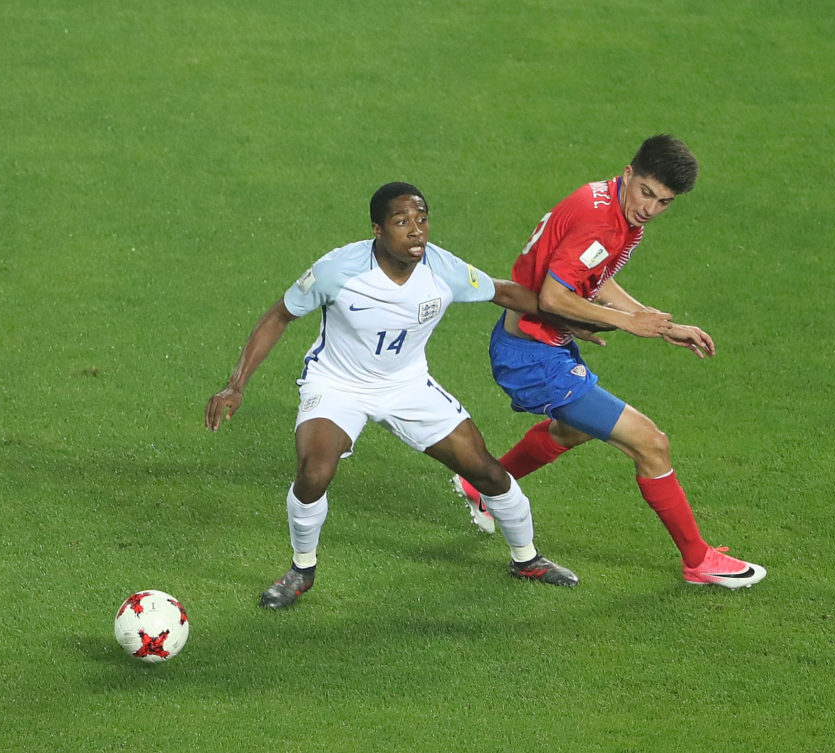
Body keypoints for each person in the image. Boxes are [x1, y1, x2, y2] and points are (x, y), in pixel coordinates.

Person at [205, 182, 578, 609]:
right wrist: (236, 383)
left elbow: (505, 292)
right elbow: (279, 315)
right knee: (314, 472)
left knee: (488, 472)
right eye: (402, 222)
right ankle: (301, 569)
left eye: (422, 219)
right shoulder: (337, 271)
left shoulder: (443, 269)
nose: (416, 231)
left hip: (407, 386)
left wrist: (571, 317)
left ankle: (526, 559)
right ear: (377, 231)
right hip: (338, 383)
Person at [451, 135, 766, 589]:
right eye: (646, 193)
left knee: (574, 428)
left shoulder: (613, 208)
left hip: (546, 343)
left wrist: (654, 323)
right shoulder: (599, 221)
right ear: (629, 173)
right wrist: (628, 324)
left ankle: (482, 485)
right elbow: (554, 296)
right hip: (533, 357)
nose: (651, 209)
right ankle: (699, 561)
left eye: (664, 202)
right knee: (652, 443)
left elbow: (594, 279)